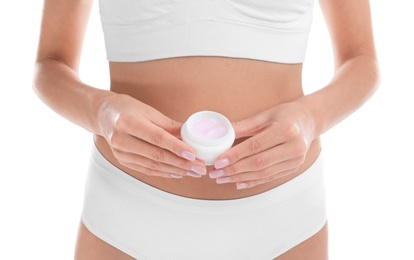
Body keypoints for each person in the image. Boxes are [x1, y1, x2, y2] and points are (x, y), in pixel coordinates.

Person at [33, 0, 380, 259]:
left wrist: (310, 119)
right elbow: (50, 65)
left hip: (282, 213)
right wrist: (104, 113)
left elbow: (361, 60)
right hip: (128, 208)